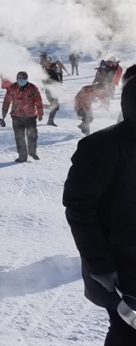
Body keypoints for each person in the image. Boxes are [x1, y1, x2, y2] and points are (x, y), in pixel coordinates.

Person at [64, 77, 136, 344]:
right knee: (125, 333)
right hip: (119, 271)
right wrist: (99, 264)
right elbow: (79, 206)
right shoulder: (101, 147)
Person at [1, 71, 44, 162]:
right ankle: (22, 156)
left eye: (23, 79)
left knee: (32, 135)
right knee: (19, 136)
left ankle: (32, 152)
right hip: (16, 115)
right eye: (19, 78)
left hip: (30, 115)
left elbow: (38, 101)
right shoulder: (12, 88)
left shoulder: (33, 88)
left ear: (26, 79)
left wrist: (40, 113)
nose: (21, 80)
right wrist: (4, 111)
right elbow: (7, 100)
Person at [43, 58, 64, 127]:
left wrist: (61, 74)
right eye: (55, 67)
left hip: (54, 91)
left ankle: (41, 106)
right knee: (55, 107)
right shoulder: (48, 73)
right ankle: (50, 121)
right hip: (50, 91)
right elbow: (45, 82)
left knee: (56, 107)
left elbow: (60, 83)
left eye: (56, 67)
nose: (56, 68)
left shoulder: (54, 72)